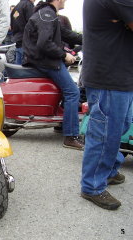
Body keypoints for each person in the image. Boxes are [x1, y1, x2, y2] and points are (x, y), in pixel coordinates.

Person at [80, 0, 133, 210]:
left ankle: (109, 168)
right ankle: (92, 186)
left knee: (121, 127)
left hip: (120, 76)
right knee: (104, 134)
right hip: (109, 78)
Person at [23, 0, 84, 150]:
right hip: (46, 61)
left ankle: (62, 124)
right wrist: (64, 55)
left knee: (68, 90)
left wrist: (89, 38)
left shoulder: (47, 14)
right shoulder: (48, 14)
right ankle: (70, 136)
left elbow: (66, 34)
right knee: (73, 92)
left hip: (41, 59)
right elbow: (44, 44)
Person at [11, 0, 35, 65]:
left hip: (18, 43)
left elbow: (12, 26)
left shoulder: (15, 8)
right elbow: (33, 25)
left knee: (18, 71)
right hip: (27, 46)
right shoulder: (29, 5)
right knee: (26, 73)